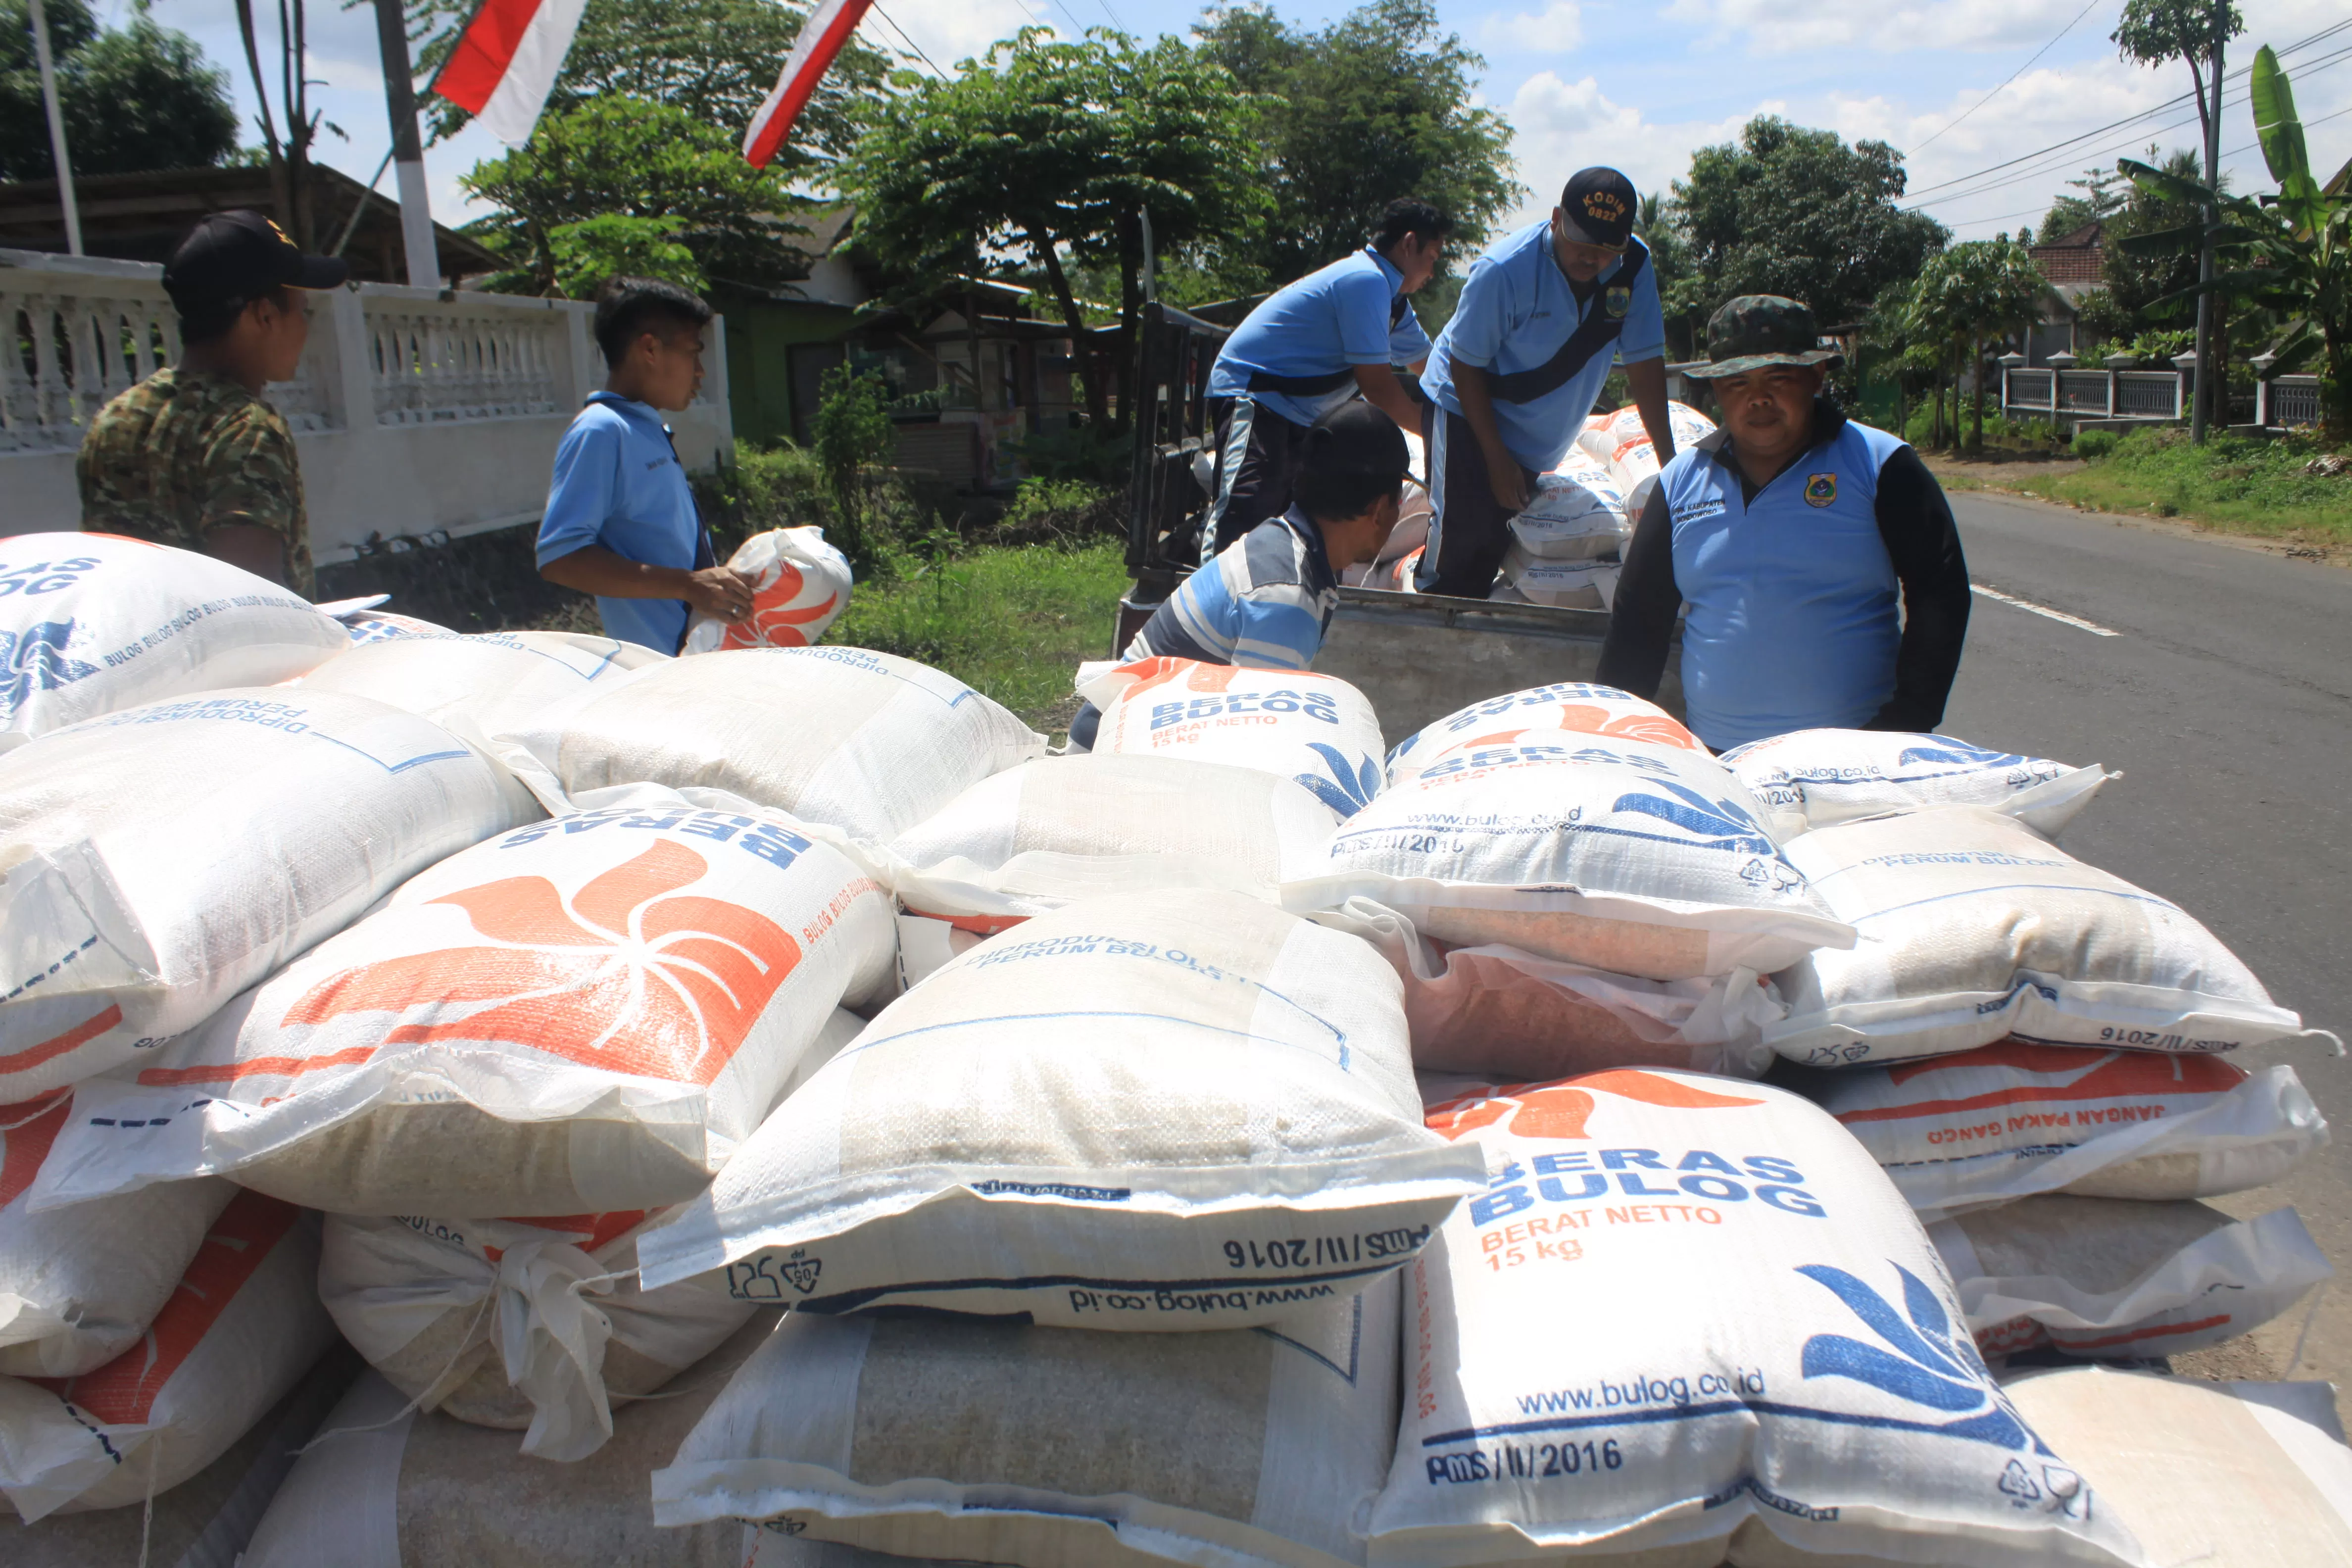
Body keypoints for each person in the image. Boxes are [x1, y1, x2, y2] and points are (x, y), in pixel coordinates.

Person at [1597, 294, 1971, 752]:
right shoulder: (1681, 482)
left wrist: (1908, 720)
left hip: (1858, 759)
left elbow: (1940, 593)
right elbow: (1639, 621)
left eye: (1778, 378)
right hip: (1721, 759)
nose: (1758, 400)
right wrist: (1614, 741)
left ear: (1816, 377)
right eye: (1737, 383)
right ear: (1716, 391)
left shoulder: (1878, 464)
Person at [1073, 403, 1409, 749]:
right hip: (1112, 756)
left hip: (1128, 739)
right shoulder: (1285, 596)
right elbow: (1257, 745)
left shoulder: (1282, 546)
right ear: (1380, 510)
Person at [1416, 167, 1676, 599]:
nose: (1593, 260)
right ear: (1556, 219)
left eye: (1607, 249)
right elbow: (1466, 367)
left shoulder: (1633, 267)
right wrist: (1496, 460)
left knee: (1501, 528)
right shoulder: (1503, 270)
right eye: (1582, 244)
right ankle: (1433, 614)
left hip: (1534, 428)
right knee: (1463, 529)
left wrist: (1670, 462)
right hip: (1465, 403)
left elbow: (1645, 361)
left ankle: (1482, 621)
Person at [77, 210, 349, 594]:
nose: (306, 328)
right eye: (302, 310)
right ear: (265, 315)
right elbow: (254, 604)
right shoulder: (246, 429)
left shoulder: (113, 420)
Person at [1198, 198, 1452, 555]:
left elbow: (1433, 369)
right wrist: (1441, 433)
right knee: (1247, 508)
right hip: (1256, 395)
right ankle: (1212, 604)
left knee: (1290, 521)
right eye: (1434, 256)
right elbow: (1377, 386)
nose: (1433, 271)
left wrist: (1479, 407)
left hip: (1297, 411)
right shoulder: (1365, 280)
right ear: (1409, 244)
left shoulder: (1393, 303)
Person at [536, 277, 754, 653]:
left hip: (697, 658)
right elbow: (561, 557)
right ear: (650, 349)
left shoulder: (646, 426)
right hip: (658, 671)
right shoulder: (602, 430)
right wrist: (687, 585)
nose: (700, 371)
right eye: (693, 353)